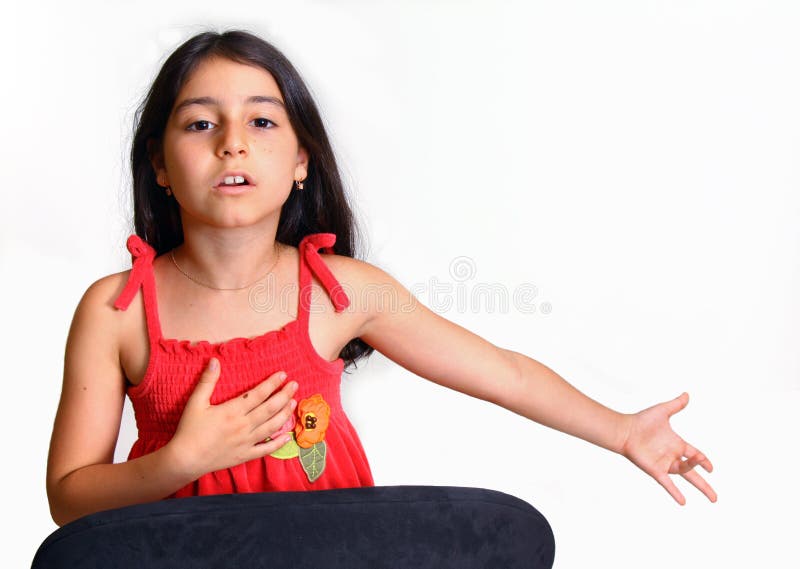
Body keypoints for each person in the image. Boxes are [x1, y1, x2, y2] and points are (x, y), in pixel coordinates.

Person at [45, 29, 716, 529]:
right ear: (159, 165)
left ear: (302, 161)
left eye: (261, 120)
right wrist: (180, 460)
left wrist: (623, 429)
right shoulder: (117, 310)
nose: (232, 142)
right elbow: (67, 499)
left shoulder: (343, 292)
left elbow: (506, 373)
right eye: (199, 123)